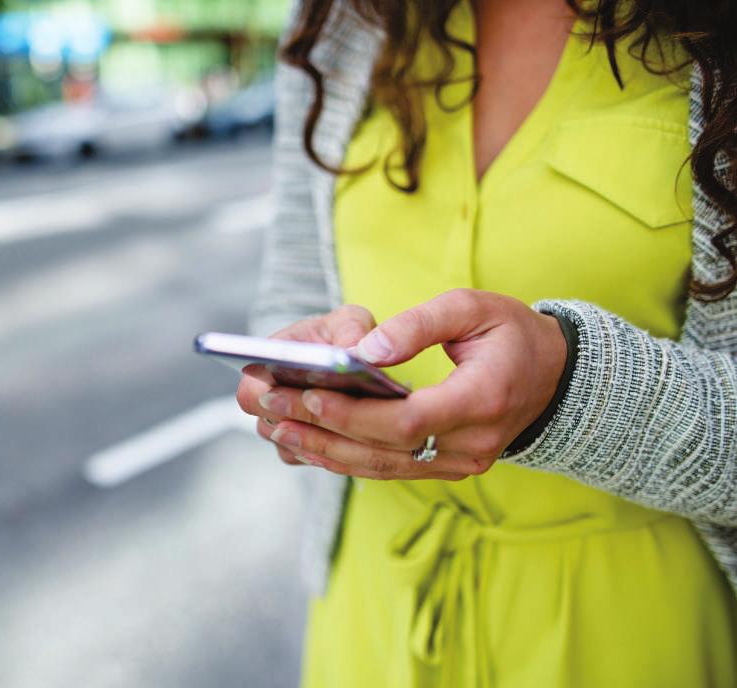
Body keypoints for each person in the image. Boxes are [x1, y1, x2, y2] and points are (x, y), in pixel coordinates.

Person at [237, 0, 737, 685]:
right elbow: (295, 287)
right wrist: (297, 381)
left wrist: (569, 389)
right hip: (370, 615)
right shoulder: (343, 18)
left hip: (632, 626)